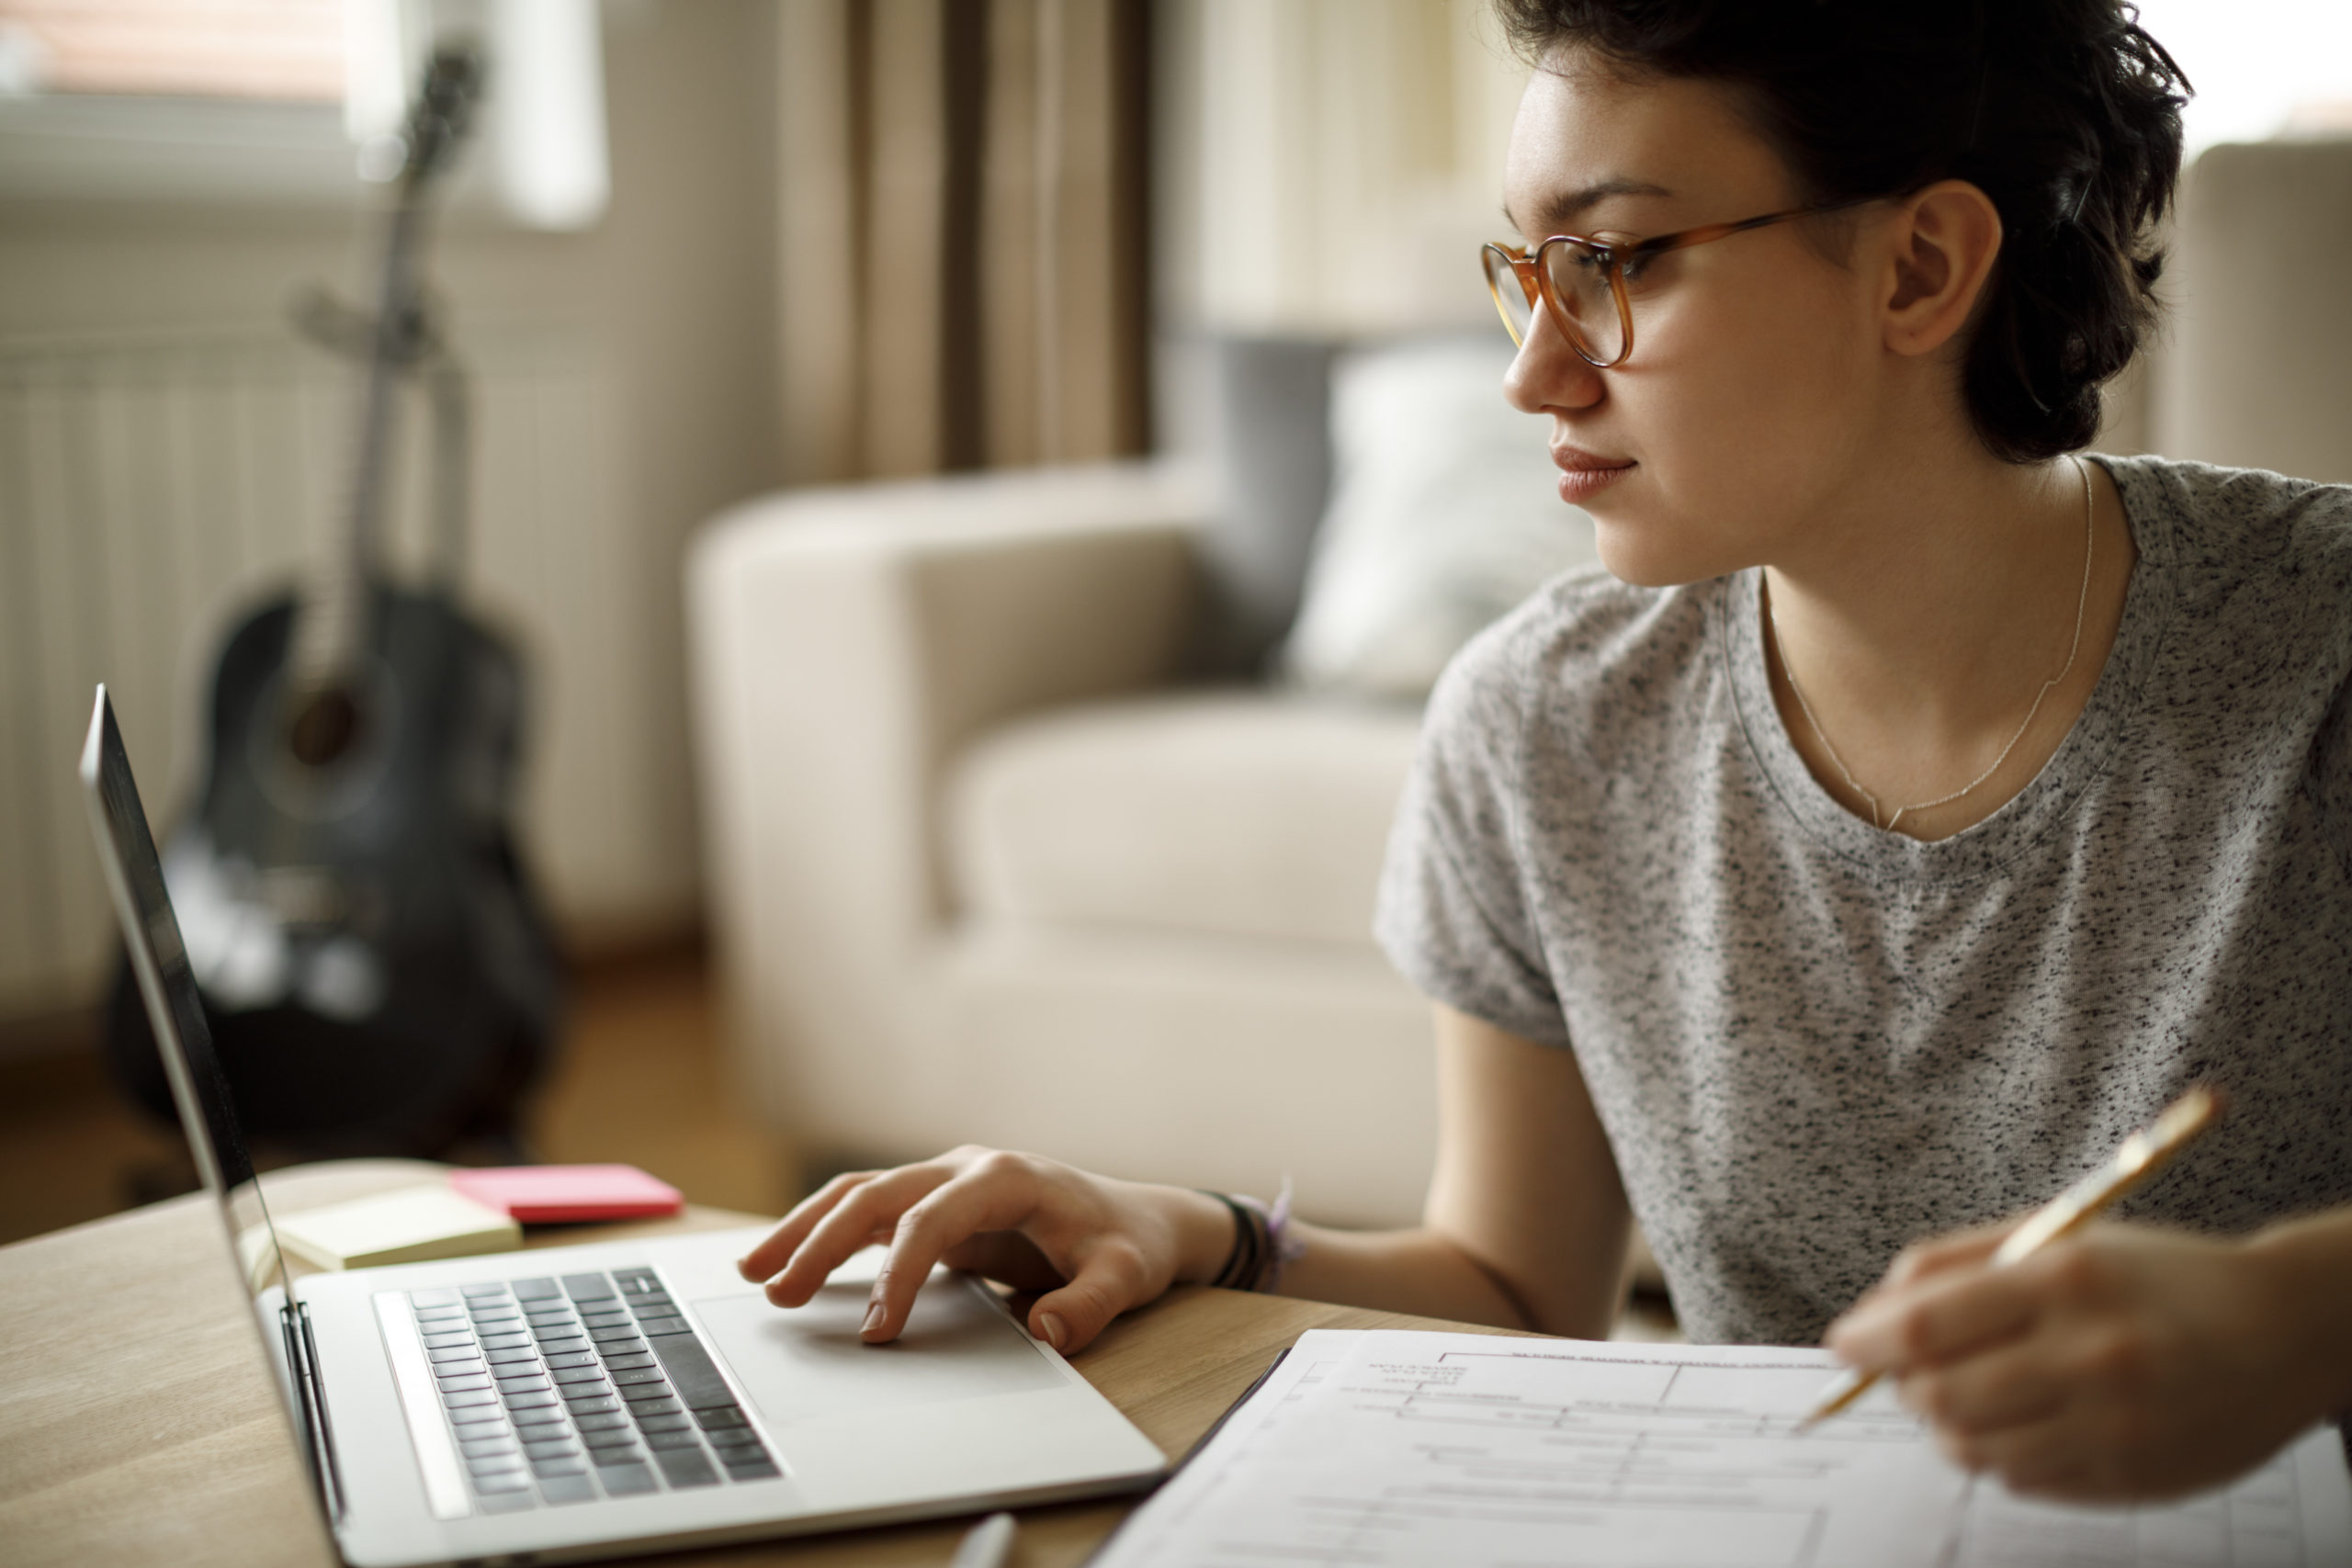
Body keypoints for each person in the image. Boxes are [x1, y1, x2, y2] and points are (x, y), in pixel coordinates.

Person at [738, 0, 2352, 1504]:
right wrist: (1186, 1232)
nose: (1535, 370)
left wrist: (2295, 1322)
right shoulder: (1546, 723)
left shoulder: (2324, 653)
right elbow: (1513, 1288)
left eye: (1621, 259)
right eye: (1532, 267)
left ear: (1922, 267)